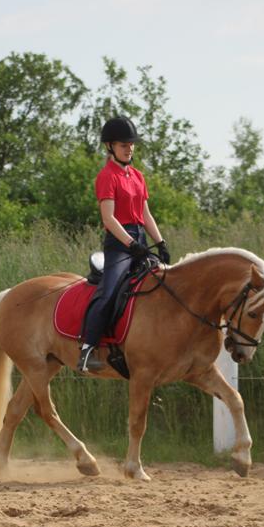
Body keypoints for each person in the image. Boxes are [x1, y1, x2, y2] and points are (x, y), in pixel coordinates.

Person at [77, 116, 172, 372]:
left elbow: (146, 214)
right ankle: (87, 350)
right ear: (109, 147)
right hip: (119, 243)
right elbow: (108, 219)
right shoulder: (107, 176)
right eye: (123, 144)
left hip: (140, 238)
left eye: (131, 144)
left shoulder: (138, 176)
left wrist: (160, 242)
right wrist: (130, 244)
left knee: (165, 284)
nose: (129, 148)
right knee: (108, 294)